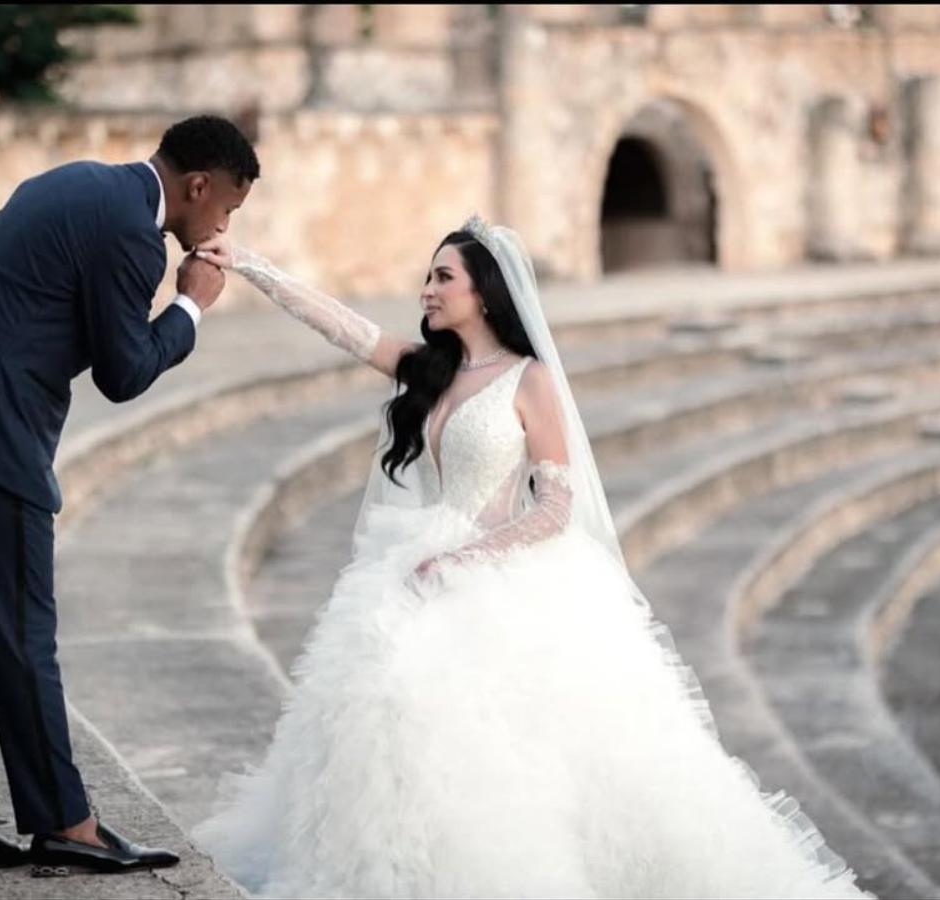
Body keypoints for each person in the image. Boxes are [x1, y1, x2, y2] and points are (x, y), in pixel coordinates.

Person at [188, 217, 875, 899]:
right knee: (383, 711)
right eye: (428, 276)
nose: (427, 289)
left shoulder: (530, 380)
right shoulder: (431, 370)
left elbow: (553, 508)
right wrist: (251, 265)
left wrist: (465, 559)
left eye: (443, 277)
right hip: (414, 564)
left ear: (483, 292)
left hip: (496, 576)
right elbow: (340, 324)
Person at [0, 115, 258, 880]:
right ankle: (64, 825)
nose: (223, 225)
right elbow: (124, 373)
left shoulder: (75, 179)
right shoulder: (134, 239)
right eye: (229, 210)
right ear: (198, 187)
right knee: (22, 634)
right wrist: (191, 307)